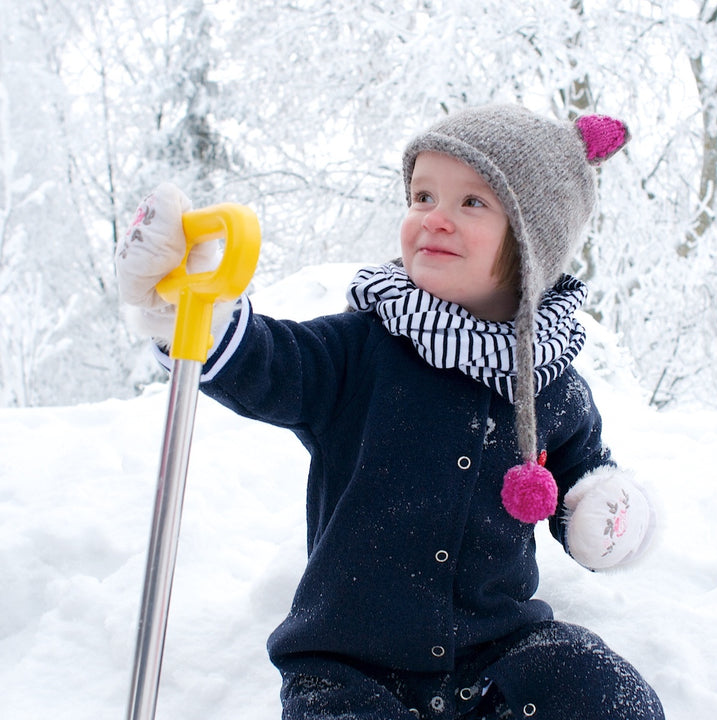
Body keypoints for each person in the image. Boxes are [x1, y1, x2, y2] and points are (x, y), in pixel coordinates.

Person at [116, 105, 665, 719]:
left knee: (601, 690)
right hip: (349, 666)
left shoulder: (549, 382)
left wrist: (603, 512)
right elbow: (273, 363)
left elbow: (583, 477)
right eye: (422, 195)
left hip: (496, 651)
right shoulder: (363, 348)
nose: (435, 218)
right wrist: (194, 318)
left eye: (471, 203)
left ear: (532, 241)